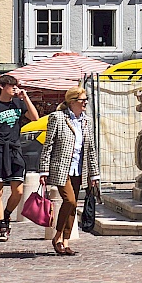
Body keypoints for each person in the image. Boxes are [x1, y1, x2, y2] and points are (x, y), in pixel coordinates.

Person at [38, 86, 101, 256]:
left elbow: (91, 150)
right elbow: (48, 145)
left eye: (86, 99)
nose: (85, 103)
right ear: (72, 101)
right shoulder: (58, 118)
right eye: (82, 100)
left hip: (79, 169)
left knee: (72, 207)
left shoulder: (86, 121)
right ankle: (57, 236)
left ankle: (65, 241)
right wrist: (43, 170)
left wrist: (94, 174)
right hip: (61, 168)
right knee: (70, 201)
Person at [0, 75, 38, 241]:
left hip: (15, 149)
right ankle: (2, 227)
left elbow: (35, 118)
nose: (15, 88)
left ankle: (7, 214)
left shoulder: (18, 104)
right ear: (1, 87)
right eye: (12, 86)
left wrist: (25, 97)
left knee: (18, 191)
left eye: (16, 86)